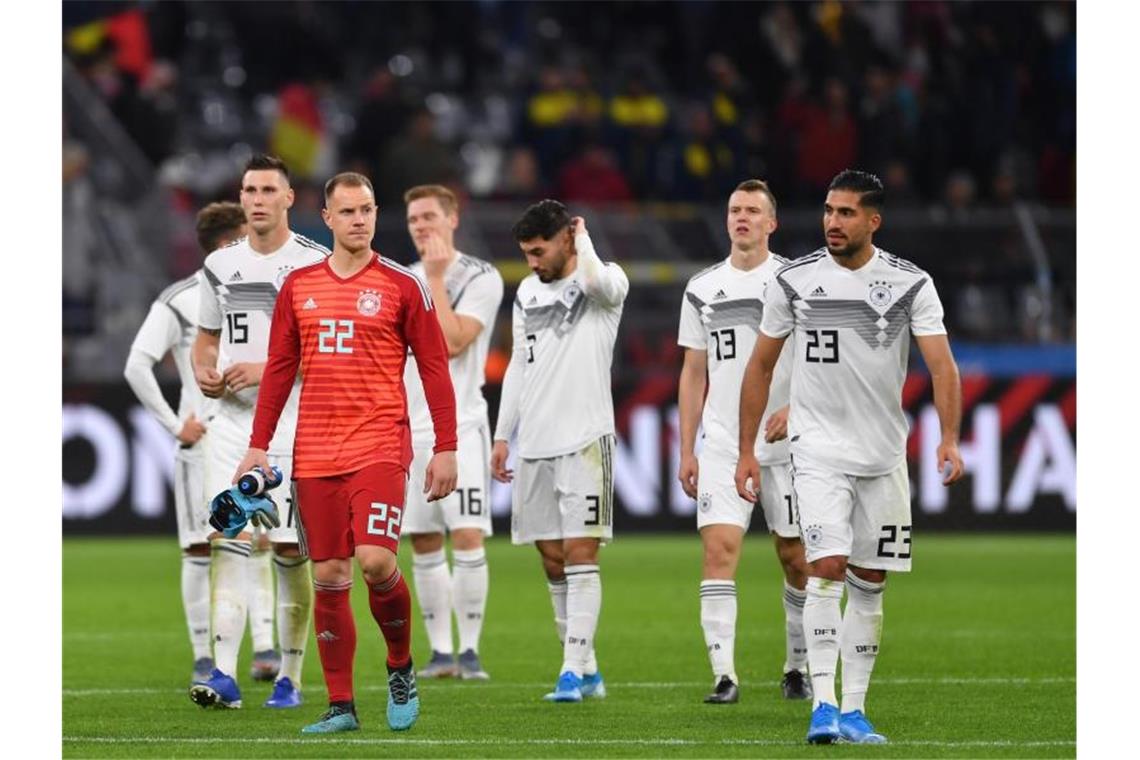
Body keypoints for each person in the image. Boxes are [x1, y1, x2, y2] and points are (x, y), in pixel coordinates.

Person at [735, 170, 964, 744]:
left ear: (873, 221)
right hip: (815, 449)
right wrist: (746, 449)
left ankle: (856, 710)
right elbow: (760, 366)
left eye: (845, 213)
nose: (832, 222)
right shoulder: (794, 280)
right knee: (827, 567)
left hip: (884, 454)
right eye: (828, 211)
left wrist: (949, 438)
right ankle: (825, 705)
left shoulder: (911, 284)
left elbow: (942, 367)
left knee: (871, 577)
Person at [233, 172, 458, 734]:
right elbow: (281, 370)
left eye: (367, 210)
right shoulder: (299, 286)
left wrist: (446, 448)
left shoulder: (404, 285)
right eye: (348, 212)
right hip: (314, 454)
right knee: (329, 576)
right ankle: (340, 706)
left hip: (380, 445)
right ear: (327, 219)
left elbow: (433, 367)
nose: (359, 221)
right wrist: (257, 446)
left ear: (375, 214)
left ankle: (401, 665)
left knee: (376, 561)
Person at [123, 201, 287, 685]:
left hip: (256, 435)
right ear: (223, 244)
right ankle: (203, 653)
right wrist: (176, 426)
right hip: (206, 441)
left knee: (260, 540)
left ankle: (263, 648)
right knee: (202, 546)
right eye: (242, 237)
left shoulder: (260, 287)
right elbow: (137, 364)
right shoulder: (180, 298)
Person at [189, 155, 329, 710]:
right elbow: (206, 337)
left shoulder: (316, 265)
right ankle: (223, 673)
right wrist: (205, 367)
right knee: (229, 539)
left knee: (292, 550)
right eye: (250, 189)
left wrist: (274, 369)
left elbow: (327, 350)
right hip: (232, 424)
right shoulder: (219, 265)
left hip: (296, 425)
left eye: (269, 189)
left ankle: (290, 677)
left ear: (289, 198)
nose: (258, 199)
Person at [676, 179, 810, 706]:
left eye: (754, 210)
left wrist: (794, 407)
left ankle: (797, 666)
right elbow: (692, 372)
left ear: (772, 223)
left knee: (796, 556)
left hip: (790, 441)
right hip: (725, 442)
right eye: (735, 209)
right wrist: (688, 448)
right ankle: (724, 676)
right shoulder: (702, 287)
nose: (743, 218)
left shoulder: (796, 283)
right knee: (719, 549)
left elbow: (822, 357)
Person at [491, 200, 629, 702]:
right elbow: (518, 368)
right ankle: (587, 668)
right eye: (526, 253)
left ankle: (569, 672)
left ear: (567, 239)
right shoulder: (527, 292)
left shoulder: (606, 281)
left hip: (586, 439)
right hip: (536, 443)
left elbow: (595, 284)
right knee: (552, 559)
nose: (532, 262)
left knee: (581, 553)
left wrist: (584, 240)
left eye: (538, 250)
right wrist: (504, 434)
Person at [401, 185, 504, 680]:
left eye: (429, 217)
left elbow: (454, 343)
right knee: (422, 539)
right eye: (413, 219)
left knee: (466, 535)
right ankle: (441, 653)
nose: (421, 227)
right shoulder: (399, 280)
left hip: (460, 426)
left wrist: (437, 281)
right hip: (410, 429)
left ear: (453, 219)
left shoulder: (481, 276)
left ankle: (471, 651)